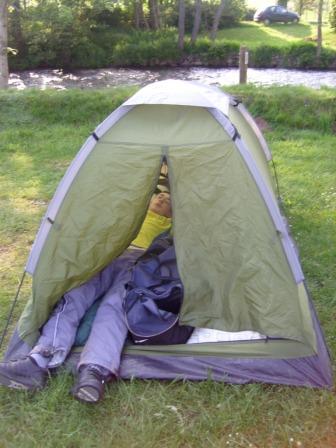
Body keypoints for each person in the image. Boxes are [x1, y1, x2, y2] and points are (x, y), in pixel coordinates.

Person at [0, 192, 172, 403]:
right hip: (109, 256)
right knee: (73, 296)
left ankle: (94, 371)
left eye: (168, 199)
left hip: (138, 263)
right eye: (160, 195)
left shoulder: (170, 226)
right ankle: (39, 359)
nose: (162, 198)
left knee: (115, 307)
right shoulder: (134, 208)